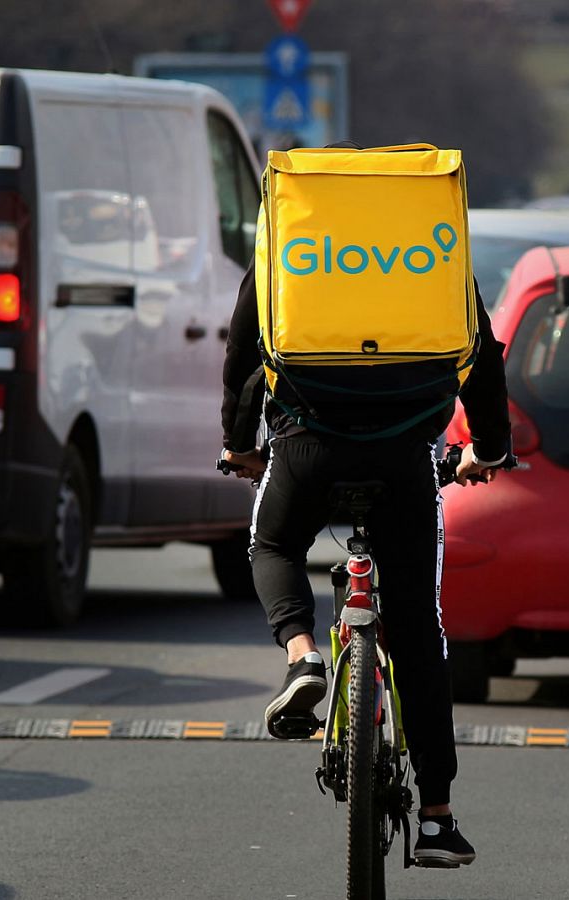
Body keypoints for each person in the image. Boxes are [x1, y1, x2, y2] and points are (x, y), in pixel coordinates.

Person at [219, 162, 512, 869]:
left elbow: (243, 354)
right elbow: (483, 358)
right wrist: (489, 449)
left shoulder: (288, 249)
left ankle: (303, 656)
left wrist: (239, 443)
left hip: (306, 446)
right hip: (406, 457)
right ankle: (438, 817)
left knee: (274, 544)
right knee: (417, 632)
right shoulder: (433, 255)